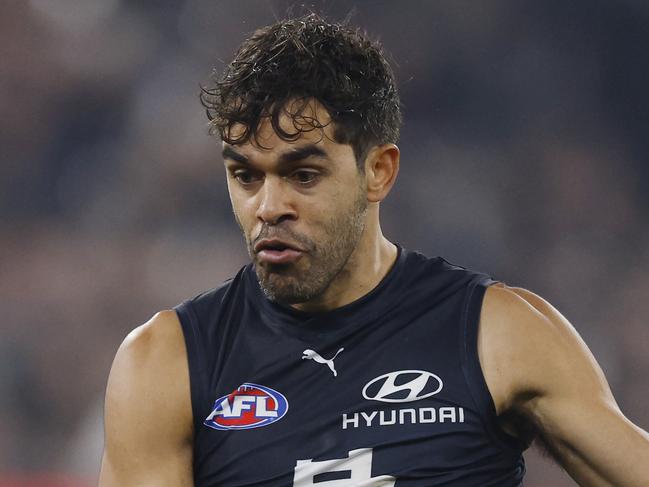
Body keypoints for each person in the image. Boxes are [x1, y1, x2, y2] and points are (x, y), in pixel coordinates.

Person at [99, 14, 649, 487]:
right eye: (245, 175)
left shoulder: (497, 335)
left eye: (303, 174)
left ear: (378, 171)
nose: (268, 206)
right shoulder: (167, 364)